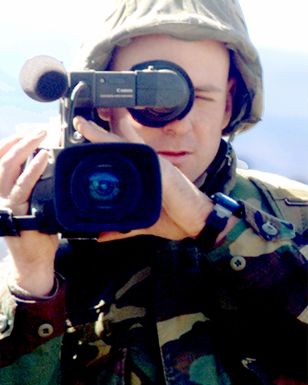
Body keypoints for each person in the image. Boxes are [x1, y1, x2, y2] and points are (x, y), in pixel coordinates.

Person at [0, 0, 307, 384]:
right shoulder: (49, 242)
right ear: (101, 106)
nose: (177, 125)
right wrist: (32, 285)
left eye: (203, 97)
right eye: (147, 99)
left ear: (229, 105)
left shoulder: (296, 219)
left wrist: (213, 228)